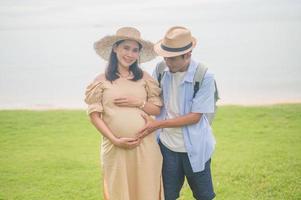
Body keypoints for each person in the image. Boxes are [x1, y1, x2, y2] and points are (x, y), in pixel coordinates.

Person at [85, 27, 164, 200]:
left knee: (146, 192)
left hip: (145, 147)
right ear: (115, 48)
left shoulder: (145, 78)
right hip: (115, 148)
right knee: (118, 193)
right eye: (126, 48)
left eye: (135, 50)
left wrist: (138, 103)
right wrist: (114, 140)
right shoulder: (100, 80)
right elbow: (94, 116)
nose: (130, 54)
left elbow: (156, 109)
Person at [137, 26, 216, 200]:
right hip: (166, 148)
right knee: (167, 196)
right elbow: (150, 96)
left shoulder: (204, 76)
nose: (167, 62)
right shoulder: (160, 70)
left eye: (172, 59)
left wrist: (157, 124)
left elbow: (195, 117)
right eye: (165, 57)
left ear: (187, 55)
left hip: (196, 148)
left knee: (204, 196)